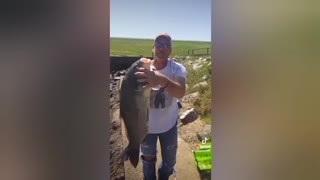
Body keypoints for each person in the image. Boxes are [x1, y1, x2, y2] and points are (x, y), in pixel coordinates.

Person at [135, 33, 187, 180]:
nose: (162, 49)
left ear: (170, 50)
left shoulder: (177, 69)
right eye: (159, 45)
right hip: (146, 130)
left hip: (169, 127)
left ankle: (164, 176)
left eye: (166, 46)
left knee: (169, 162)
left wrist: (160, 80)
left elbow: (181, 92)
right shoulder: (143, 69)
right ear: (153, 48)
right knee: (147, 161)